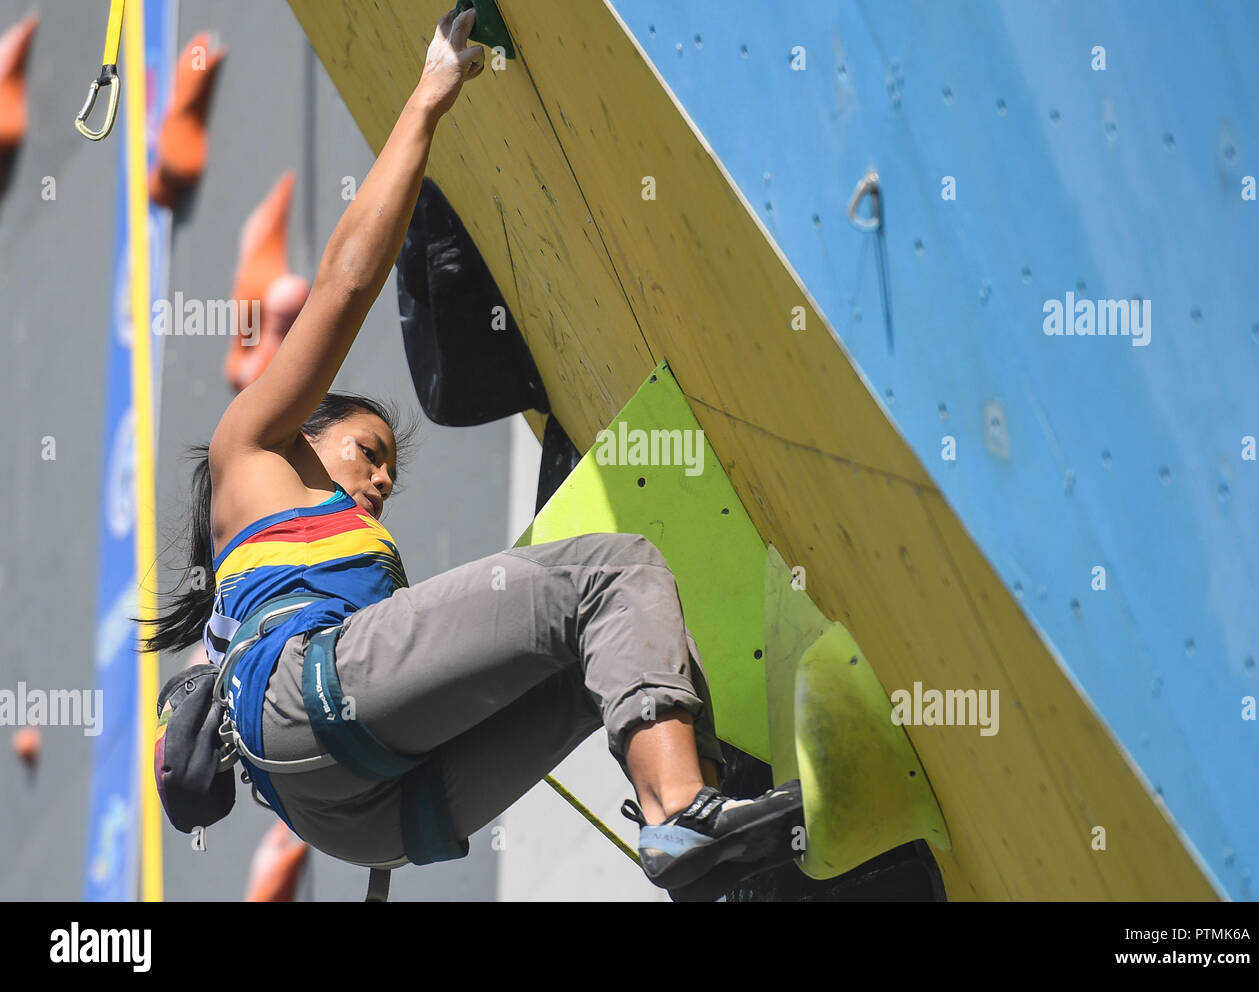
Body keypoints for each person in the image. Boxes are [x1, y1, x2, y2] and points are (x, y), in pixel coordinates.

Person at [145, 7, 801, 901]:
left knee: (603, 660)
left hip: (361, 815)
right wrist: (429, 94)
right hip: (312, 711)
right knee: (615, 573)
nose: (380, 479)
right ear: (305, 428)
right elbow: (343, 282)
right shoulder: (253, 450)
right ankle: (679, 813)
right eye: (367, 451)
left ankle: (731, 866)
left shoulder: (271, 588)